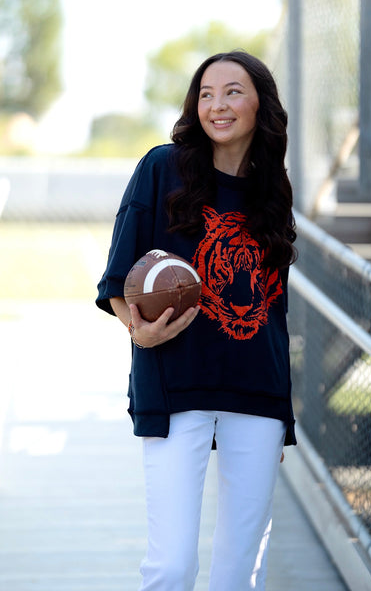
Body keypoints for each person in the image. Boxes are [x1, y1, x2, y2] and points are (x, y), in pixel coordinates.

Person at [96, 50, 297, 591]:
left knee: (240, 571)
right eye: (206, 94)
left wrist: (282, 414)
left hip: (257, 392)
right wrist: (137, 330)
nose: (217, 105)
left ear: (261, 105)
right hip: (175, 384)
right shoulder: (162, 168)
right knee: (171, 566)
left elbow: (274, 307)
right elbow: (117, 278)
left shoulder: (273, 188)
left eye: (233, 92)